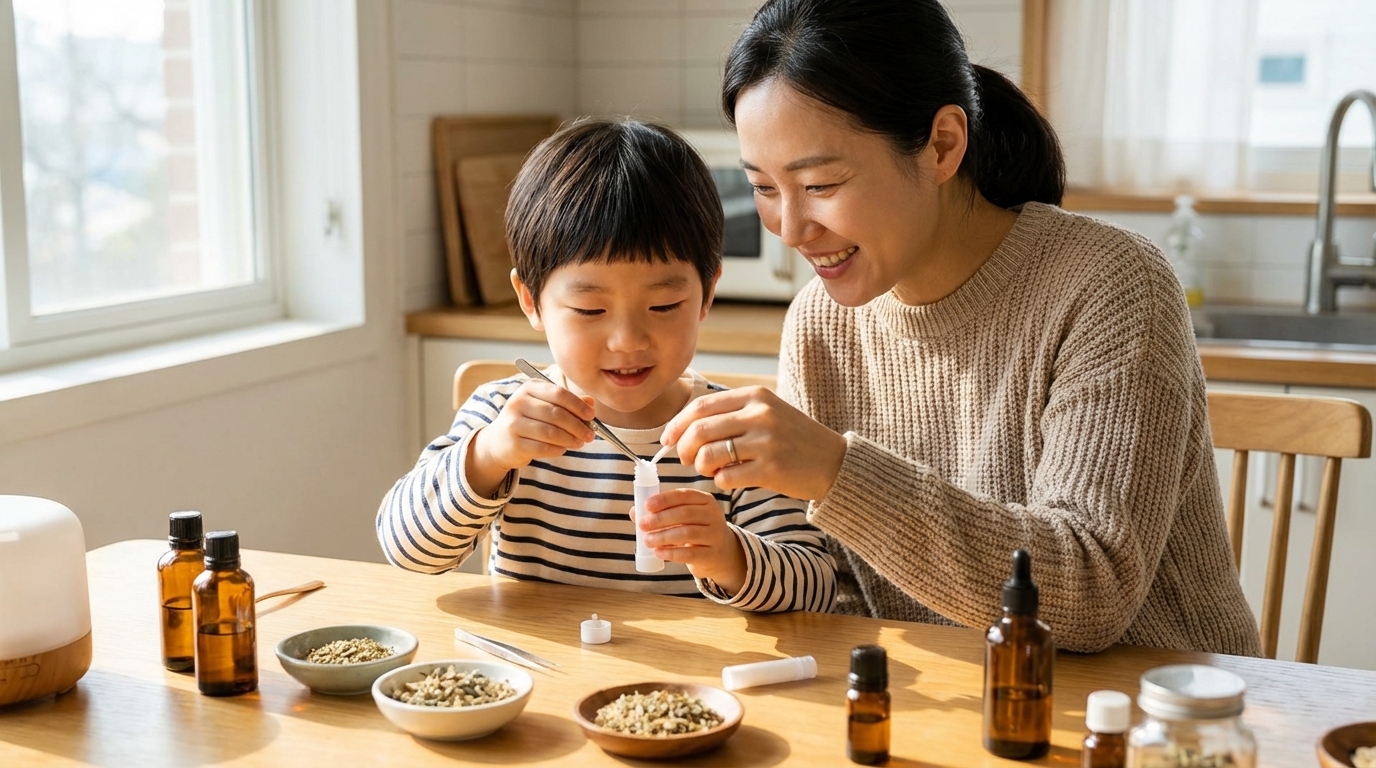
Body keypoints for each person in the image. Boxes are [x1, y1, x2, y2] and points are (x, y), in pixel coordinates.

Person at [660, 0, 1262, 655]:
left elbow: (1088, 595)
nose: (792, 228)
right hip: (949, 704)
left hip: (1156, 717)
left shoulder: (1109, 281)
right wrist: (730, 553)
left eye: (822, 183)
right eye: (765, 188)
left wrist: (834, 471)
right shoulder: (820, 321)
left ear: (943, 144)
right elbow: (840, 596)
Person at [376, 118, 836, 614]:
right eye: (591, 310)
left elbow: (817, 589)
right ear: (530, 301)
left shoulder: (733, 434)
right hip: (542, 680)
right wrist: (488, 456)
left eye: (663, 307)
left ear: (706, 294)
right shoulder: (500, 415)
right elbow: (408, 552)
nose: (628, 340)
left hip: (685, 684)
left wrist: (731, 557)